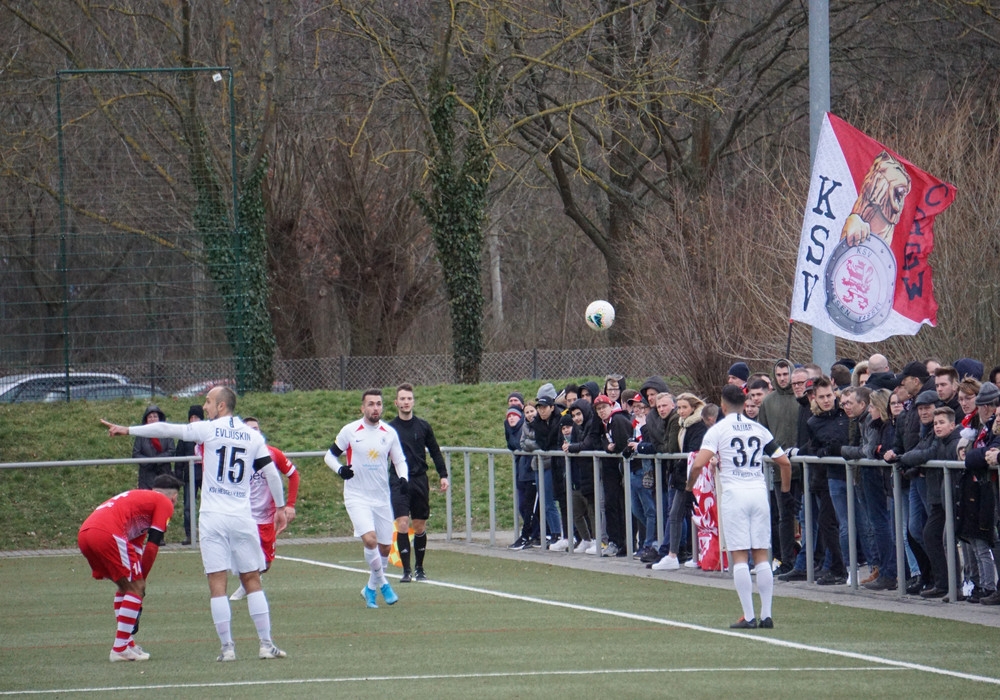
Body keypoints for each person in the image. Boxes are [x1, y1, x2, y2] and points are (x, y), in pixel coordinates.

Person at [102, 386, 289, 662]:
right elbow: (272, 474)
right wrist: (281, 507)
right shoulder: (252, 436)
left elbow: (166, 430)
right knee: (252, 579)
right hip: (241, 516)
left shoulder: (209, 430)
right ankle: (265, 643)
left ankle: (227, 649)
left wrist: (128, 430)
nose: (205, 406)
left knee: (217, 583)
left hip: (213, 517)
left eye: (209, 401)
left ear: (222, 406)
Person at [686, 385, 791, 629]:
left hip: (734, 493)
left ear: (722, 406)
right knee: (762, 554)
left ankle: (749, 615)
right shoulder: (758, 428)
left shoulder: (718, 429)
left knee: (740, 556)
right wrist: (785, 492)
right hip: (757, 491)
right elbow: (784, 462)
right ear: (745, 404)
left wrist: (689, 487)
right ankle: (766, 614)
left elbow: (698, 464)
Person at [77, 473, 182, 662]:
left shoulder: (141, 502)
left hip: (86, 534)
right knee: (134, 587)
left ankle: (128, 643)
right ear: (174, 497)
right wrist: (140, 585)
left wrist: (137, 581)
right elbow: (152, 545)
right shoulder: (164, 502)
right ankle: (119, 649)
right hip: (106, 532)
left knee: (125, 586)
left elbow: (136, 548)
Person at [325, 388, 408, 608]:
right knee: (370, 540)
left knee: (384, 548)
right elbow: (329, 456)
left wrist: (404, 478)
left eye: (379, 404)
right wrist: (341, 470)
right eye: (370, 404)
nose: (375, 408)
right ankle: (383, 584)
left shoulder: (389, 433)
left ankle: (369, 588)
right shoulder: (350, 431)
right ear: (363, 408)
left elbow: (399, 460)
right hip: (356, 495)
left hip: (381, 497)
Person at [230, 417, 300, 601]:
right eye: (250, 429)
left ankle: (252, 580)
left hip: (267, 517)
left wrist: (290, 505)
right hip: (244, 515)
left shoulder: (272, 454)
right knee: (242, 554)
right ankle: (247, 584)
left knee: (266, 562)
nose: (254, 432)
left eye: (256, 428)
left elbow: (293, 476)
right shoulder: (236, 456)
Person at [389, 383, 450, 582]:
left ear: (413, 401)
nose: (406, 402)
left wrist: (443, 474)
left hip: (419, 480)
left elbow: (434, 451)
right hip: (399, 481)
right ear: (396, 402)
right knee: (402, 523)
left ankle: (419, 568)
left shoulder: (423, 426)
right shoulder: (389, 429)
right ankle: (406, 570)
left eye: (409, 399)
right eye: (402, 399)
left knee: (419, 525)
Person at [506, 401, 540, 550]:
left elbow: (534, 443)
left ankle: (532, 535)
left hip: (533, 470)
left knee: (533, 507)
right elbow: (519, 444)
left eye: (532, 411)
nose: (512, 418)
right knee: (524, 506)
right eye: (527, 412)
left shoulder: (534, 426)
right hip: (523, 472)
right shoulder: (514, 429)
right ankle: (531, 535)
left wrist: (526, 445)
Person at [173, 405, 204, 545]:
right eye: (191, 418)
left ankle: (207, 533)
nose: (193, 420)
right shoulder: (185, 436)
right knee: (188, 506)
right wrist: (178, 476)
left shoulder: (206, 435)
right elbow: (179, 456)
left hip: (205, 475)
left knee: (208, 505)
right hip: (189, 476)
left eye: (196, 417)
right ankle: (190, 535)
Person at [134, 405, 174, 490]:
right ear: (146, 420)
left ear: (159, 418)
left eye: (155, 416)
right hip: (146, 474)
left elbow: (171, 450)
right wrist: (149, 461)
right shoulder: (140, 435)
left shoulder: (167, 433)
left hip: (164, 473)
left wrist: (157, 460)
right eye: (150, 417)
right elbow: (136, 453)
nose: (152, 419)